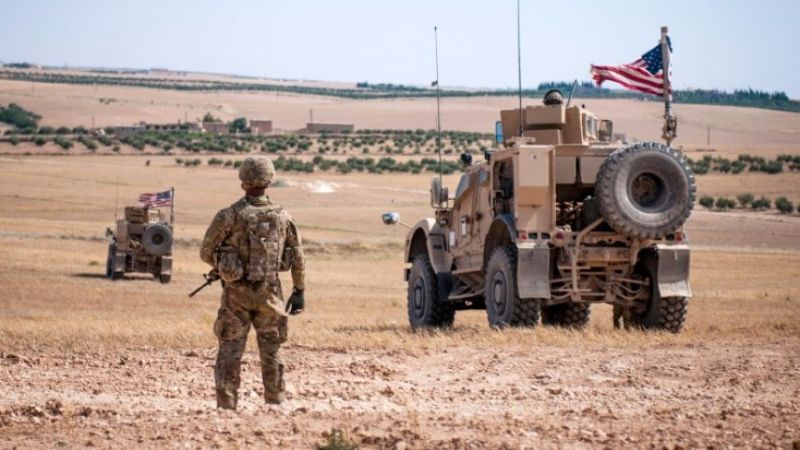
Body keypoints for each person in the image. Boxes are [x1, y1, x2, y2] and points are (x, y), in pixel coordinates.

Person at [200, 157, 305, 409]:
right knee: (272, 350)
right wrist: (299, 290)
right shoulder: (283, 216)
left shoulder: (229, 215)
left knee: (230, 350)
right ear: (270, 180)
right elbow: (298, 257)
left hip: (236, 295)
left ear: (243, 181)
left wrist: (224, 265)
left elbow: (205, 252)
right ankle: (275, 404)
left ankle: (226, 407)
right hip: (271, 294)